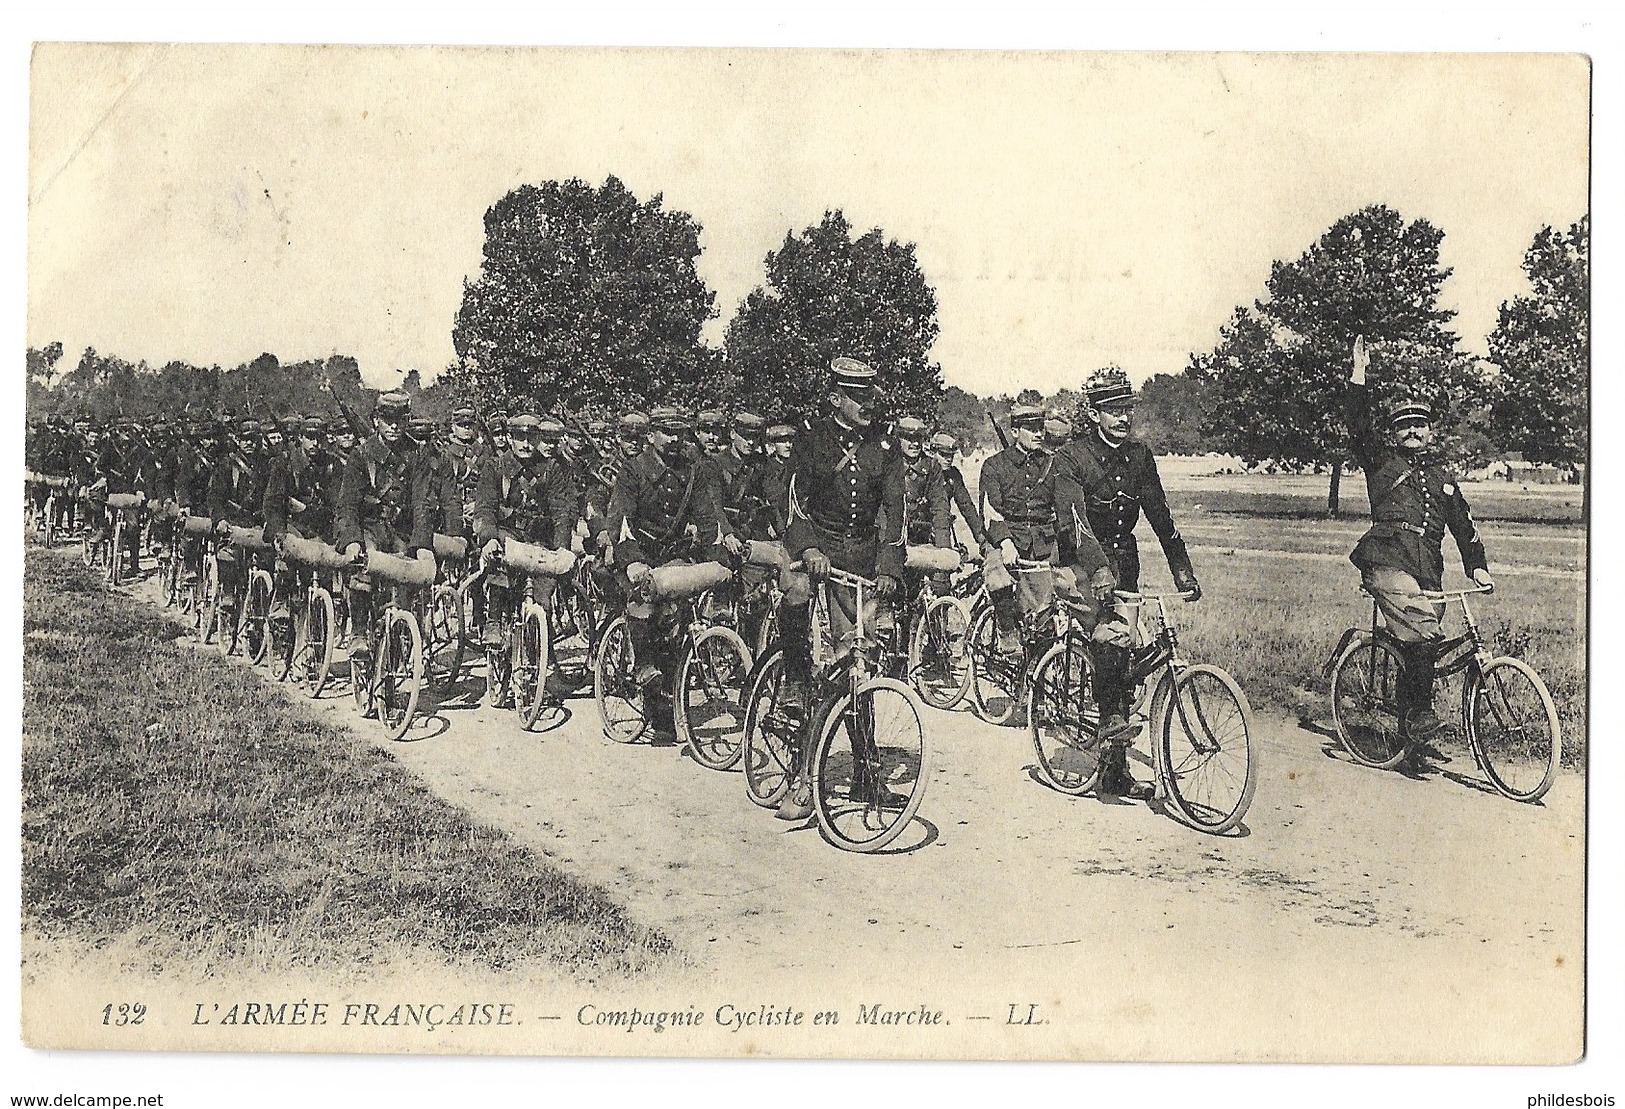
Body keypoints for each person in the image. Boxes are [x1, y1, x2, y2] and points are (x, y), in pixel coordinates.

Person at [1053, 367, 1200, 798]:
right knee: (1110, 640)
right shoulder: (1072, 457)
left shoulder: (1140, 456)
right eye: (1113, 410)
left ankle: (1115, 770)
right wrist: (1097, 569)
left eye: (1127, 409)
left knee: (1127, 656)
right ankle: (1109, 729)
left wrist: (1182, 567)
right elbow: (1074, 521)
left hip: (1124, 563)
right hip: (1078, 565)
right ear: (1095, 413)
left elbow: (1160, 516)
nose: (1122, 417)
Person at [775, 358, 907, 821]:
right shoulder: (812, 442)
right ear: (836, 400)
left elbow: (895, 513)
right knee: (795, 604)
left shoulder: (885, 448)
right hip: (816, 555)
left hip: (861, 564)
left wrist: (890, 567)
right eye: (859, 397)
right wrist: (808, 547)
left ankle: (866, 777)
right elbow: (791, 502)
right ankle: (801, 776)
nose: (869, 404)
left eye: (872, 395)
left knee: (858, 669)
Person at [1344, 336, 1491, 743]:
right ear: (1394, 434)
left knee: (1418, 649)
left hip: (1427, 568)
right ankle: (1421, 715)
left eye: (1419, 425)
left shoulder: (1442, 477)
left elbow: (1464, 524)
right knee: (1426, 632)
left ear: (1429, 432)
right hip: (1387, 560)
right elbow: (1357, 427)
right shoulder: (1380, 462)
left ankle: (1408, 730)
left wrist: (1476, 564)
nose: (1412, 431)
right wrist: (1359, 376)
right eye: (1403, 426)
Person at [604, 406, 723, 737]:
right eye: (667, 433)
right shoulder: (633, 471)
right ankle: (642, 664)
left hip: (674, 556)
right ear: (651, 435)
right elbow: (620, 521)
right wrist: (631, 561)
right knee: (643, 599)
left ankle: (667, 706)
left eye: (680, 434)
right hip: (637, 554)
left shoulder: (693, 471)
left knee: (674, 620)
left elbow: (707, 518)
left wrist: (718, 555)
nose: (674, 440)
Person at [979, 404, 1112, 666]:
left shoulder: (1053, 466)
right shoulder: (994, 466)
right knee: (998, 575)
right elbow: (990, 512)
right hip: (1005, 539)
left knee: (1059, 596)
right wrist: (1005, 543)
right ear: (1015, 431)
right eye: (1030, 428)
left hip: (1043, 544)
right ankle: (1006, 631)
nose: (1038, 433)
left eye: (1040, 428)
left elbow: (1066, 510)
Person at [473, 414, 583, 700]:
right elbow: (484, 508)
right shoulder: (495, 468)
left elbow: (563, 510)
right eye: (519, 437)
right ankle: (495, 621)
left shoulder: (553, 470)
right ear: (509, 438)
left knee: (543, 602)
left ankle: (534, 662)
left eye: (531, 438)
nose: (525, 444)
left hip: (541, 542)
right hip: (506, 538)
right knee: (501, 570)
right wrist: (488, 539)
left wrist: (561, 548)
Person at [333, 392, 438, 667]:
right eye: (387, 420)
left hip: (401, 532)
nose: (394, 427)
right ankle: (357, 632)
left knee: (407, 579)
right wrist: (353, 540)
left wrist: (423, 545)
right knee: (362, 568)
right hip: (369, 529)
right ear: (376, 420)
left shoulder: (417, 454)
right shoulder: (361, 455)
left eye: (400, 421)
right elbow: (347, 505)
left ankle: (402, 634)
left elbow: (422, 502)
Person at [929, 431, 987, 557]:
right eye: (943, 455)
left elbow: (966, 506)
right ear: (932, 453)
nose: (948, 459)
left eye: (951, 456)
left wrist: (982, 538)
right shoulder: (925, 472)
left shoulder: (953, 475)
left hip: (941, 528)